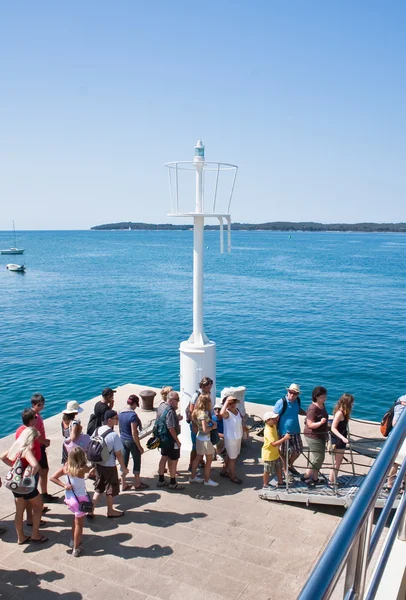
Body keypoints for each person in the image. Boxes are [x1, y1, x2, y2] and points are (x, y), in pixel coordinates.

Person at [1, 424, 47, 544]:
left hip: (15, 484)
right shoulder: (26, 450)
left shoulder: (16, 445)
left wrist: (14, 467)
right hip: (25, 486)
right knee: (38, 506)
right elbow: (35, 465)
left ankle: (20, 537)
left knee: (19, 511)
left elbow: (3, 457)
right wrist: (29, 474)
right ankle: (35, 534)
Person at [50, 447, 93, 557]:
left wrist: (64, 485)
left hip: (70, 498)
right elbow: (92, 469)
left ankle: (73, 540)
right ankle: (76, 548)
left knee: (75, 520)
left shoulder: (66, 468)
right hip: (80, 500)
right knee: (79, 524)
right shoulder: (82, 469)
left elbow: (52, 478)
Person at [90, 409, 128, 517]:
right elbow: (119, 454)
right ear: (109, 420)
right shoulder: (113, 435)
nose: (118, 421)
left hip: (98, 464)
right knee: (110, 489)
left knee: (99, 488)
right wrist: (124, 468)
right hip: (109, 466)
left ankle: (91, 510)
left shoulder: (97, 430)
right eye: (116, 419)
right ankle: (110, 511)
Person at [274, 383, 305, 478]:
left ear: (297, 395)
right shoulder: (281, 402)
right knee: (283, 452)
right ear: (287, 391)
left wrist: (308, 414)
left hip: (295, 431)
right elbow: (274, 417)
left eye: (294, 393)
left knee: (298, 449)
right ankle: (285, 469)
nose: (292, 395)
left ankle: (290, 465)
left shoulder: (297, 401)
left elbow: (298, 410)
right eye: (290, 392)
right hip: (283, 432)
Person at [118, 395, 149, 491]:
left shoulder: (120, 413)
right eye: (136, 404)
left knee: (124, 462)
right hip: (131, 441)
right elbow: (134, 432)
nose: (136, 407)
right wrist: (139, 446)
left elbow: (120, 429)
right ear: (134, 403)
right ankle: (137, 482)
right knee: (136, 460)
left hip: (123, 439)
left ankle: (123, 484)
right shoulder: (133, 415)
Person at [31, 393, 57, 504]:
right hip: (38, 448)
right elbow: (34, 435)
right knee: (41, 472)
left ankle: (43, 494)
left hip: (40, 447)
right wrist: (44, 442)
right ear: (34, 404)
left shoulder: (36, 416)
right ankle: (40, 496)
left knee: (44, 471)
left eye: (42, 405)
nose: (42, 407)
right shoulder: (34, 418)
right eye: (39, 405)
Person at [156, 391, 185, 490]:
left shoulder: (161, 406)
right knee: (173, 460)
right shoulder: (171, 411)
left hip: (162, 437)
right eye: (177, 400)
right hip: (170, 439)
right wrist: (177, 441)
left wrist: (176, 418)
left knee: (163, 457)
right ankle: (173, 482)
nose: (178, 402)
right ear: (171, 400)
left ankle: (161, 480)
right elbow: (171, 428)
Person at [189, 394, 219, 487]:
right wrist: (213, 427)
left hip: (199, 437)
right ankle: (207, 480)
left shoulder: (196, 412)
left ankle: (193, 477)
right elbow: (205, 429)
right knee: (209, 460)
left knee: (197, 458)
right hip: (205, 440)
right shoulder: (203, 414)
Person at [303, 386, 329, 486]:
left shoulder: (322, 405)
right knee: (318, 457)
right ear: (316, 397)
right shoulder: (312, 408)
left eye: (325, 396)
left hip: (321, 434)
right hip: (312, 435)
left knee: (320, 457)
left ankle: (315, 477)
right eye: (322, 397)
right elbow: (309, 424)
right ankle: (306, 476)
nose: (324, 398)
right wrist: (320, 423)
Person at [187, 377, 213, 472]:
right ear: (202, 386)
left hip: (204, 421)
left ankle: (200, 462)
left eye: (210, 387)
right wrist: (194, 425)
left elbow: (208, 408)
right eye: (207, 387)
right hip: (197, 423)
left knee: (201, 445)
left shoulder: (207, 393)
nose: (209, 388)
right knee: (195, 446)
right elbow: (191, 411)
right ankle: (191, 465)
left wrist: (209, 418)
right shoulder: (196, 395)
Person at [328, 394, 354, 485]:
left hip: (340, 440)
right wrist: (343, 438)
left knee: (337, 462)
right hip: (338, 440)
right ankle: (331, 482)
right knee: (336, 462)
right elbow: (333, 428)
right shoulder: (340, 413)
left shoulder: (343, 412)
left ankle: (333, 480)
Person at [261, 412, 290, 489]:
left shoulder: (273, 425)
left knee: (279, 466)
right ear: (267, 420)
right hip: (269, 454)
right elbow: (273, 444)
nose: (275, 420)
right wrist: (284, 438)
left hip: (275, 452)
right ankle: (265, 484)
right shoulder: (268, 431)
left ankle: (280, 482)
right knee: (267, 470)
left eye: (275, 418)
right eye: (273, 419)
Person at [384, 394, 406, 492]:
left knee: (398, 462)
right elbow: (395, 423)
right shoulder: (402, 403)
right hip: (400, 438)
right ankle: (390, 484)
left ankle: (399, 485)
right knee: (397, 462)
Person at [220, 396, 243, 484]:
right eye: (230, 403)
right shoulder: (227, 413)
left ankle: (223, 471)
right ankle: (233, 477)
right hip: (231, 438)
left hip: (237, 437)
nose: (232, 405)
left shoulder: (237, 411)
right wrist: (226, 403)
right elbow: (222, 413)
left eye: (233, 402)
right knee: (233, 459)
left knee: (230, 456)